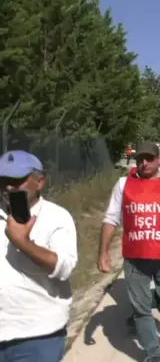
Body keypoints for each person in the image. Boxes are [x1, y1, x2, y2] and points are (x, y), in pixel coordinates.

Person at [98, 142, 160, 362]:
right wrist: (103, 252)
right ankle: (153, 352)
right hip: (134, 259)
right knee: (141, 309)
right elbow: (111, 219)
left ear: (159, 159)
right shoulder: (124, 184)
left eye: (149, 158)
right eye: (140, 159)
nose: (143, 163)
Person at [0, 151, 77, 362]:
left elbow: (65, 267)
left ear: (40, 182)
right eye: (4, 181)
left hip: (37, 336)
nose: (8, 187)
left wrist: (23, 243)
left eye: (17, 181)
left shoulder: (56, 217)